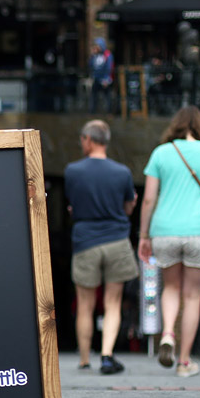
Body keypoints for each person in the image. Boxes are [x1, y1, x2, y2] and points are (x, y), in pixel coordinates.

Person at [137, 106, 200, 378]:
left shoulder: (161, 153)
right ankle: (184, 362)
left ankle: (167, 334)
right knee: (192, 296)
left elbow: (149, 198)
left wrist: (144, 235)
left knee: (172, 289)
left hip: (165, 230)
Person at [64, 120, 139, 375]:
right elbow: (128, 208)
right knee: (113, 302)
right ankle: (107, 355)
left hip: (86, 242)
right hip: (117, 241)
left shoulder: (72, 171)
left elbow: (72, 206)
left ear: (88, 139)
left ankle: (85, 358)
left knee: (84, 304)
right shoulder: (122, 172)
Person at [89, 38, 115, 114]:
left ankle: (109, 112)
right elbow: (91, 66)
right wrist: (91, 56)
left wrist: (107, 79)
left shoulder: (107, 55)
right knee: (94, 96)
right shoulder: (95, 55)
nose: (96, 48)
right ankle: (92, 112)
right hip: (96, 79)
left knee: (107, 96)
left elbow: (109, 67)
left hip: (104, 80)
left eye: (98, 46)